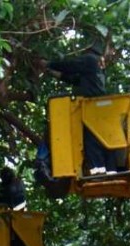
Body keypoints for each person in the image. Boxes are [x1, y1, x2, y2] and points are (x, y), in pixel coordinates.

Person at [40, 44, 113, 175]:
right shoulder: (98, 67)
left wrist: (49, 64)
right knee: (97, 137)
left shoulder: (90, 59)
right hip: (98, 106)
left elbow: (70, 66)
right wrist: (53, 73)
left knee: (90, 139)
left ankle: (97, 170)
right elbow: (76, 80)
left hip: (91, 105)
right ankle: (105, 169)